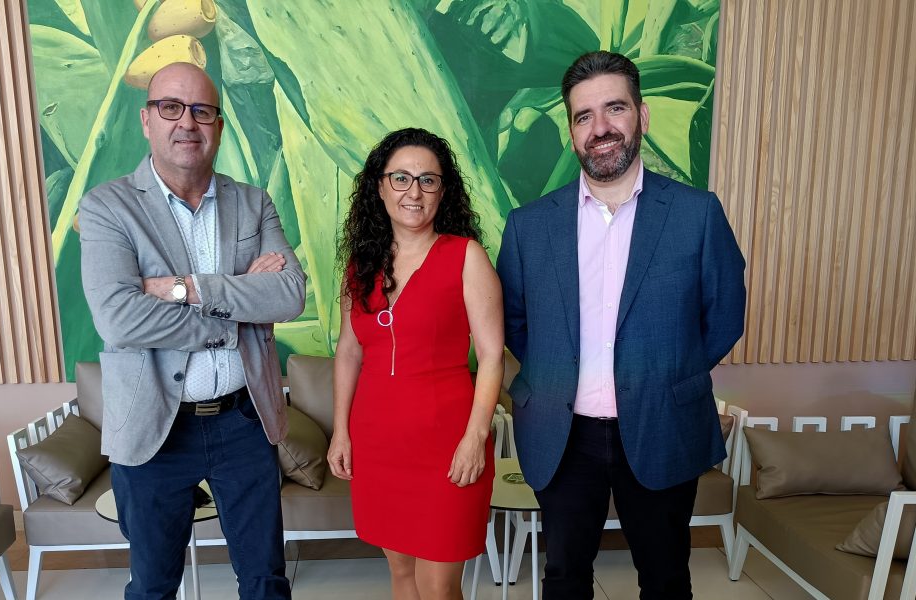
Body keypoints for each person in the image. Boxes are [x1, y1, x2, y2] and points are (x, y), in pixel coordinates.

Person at [496, 51, 747, 599]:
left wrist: (665, 368)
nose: (600, 128)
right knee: (564, 576)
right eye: (584, 116)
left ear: (642, 116)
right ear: (570, 132)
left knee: (664, 576)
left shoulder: (697, 214)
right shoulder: (528, 226)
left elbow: (725, 315)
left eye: (614, 108)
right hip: (563, 432)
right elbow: (515, 322)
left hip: (661, 421)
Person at [79, 62, 305, 600]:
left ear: (219, 125)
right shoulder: (108, 207)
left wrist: (184, 288)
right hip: (155, 428)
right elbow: (119, 318)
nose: (188, 123)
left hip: (243, 421)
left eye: (202, 111)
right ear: (147, 120)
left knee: (266, 580)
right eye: (171, 108)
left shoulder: (253, 202)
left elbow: (289, 295)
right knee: (153, 586)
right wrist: (235, 307)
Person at [327, 128, 503, 600]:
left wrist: (476, 437)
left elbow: (490, 357)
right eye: (401, 178)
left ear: (443, 191)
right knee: (401, 574)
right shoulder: (360, 265)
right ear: (379, 186)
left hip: (447, 446)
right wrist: (340, 431)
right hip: (378, 444)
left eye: (428, 180)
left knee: (439, 587)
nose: (414, 191)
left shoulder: (466, 257)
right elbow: (349, 350)